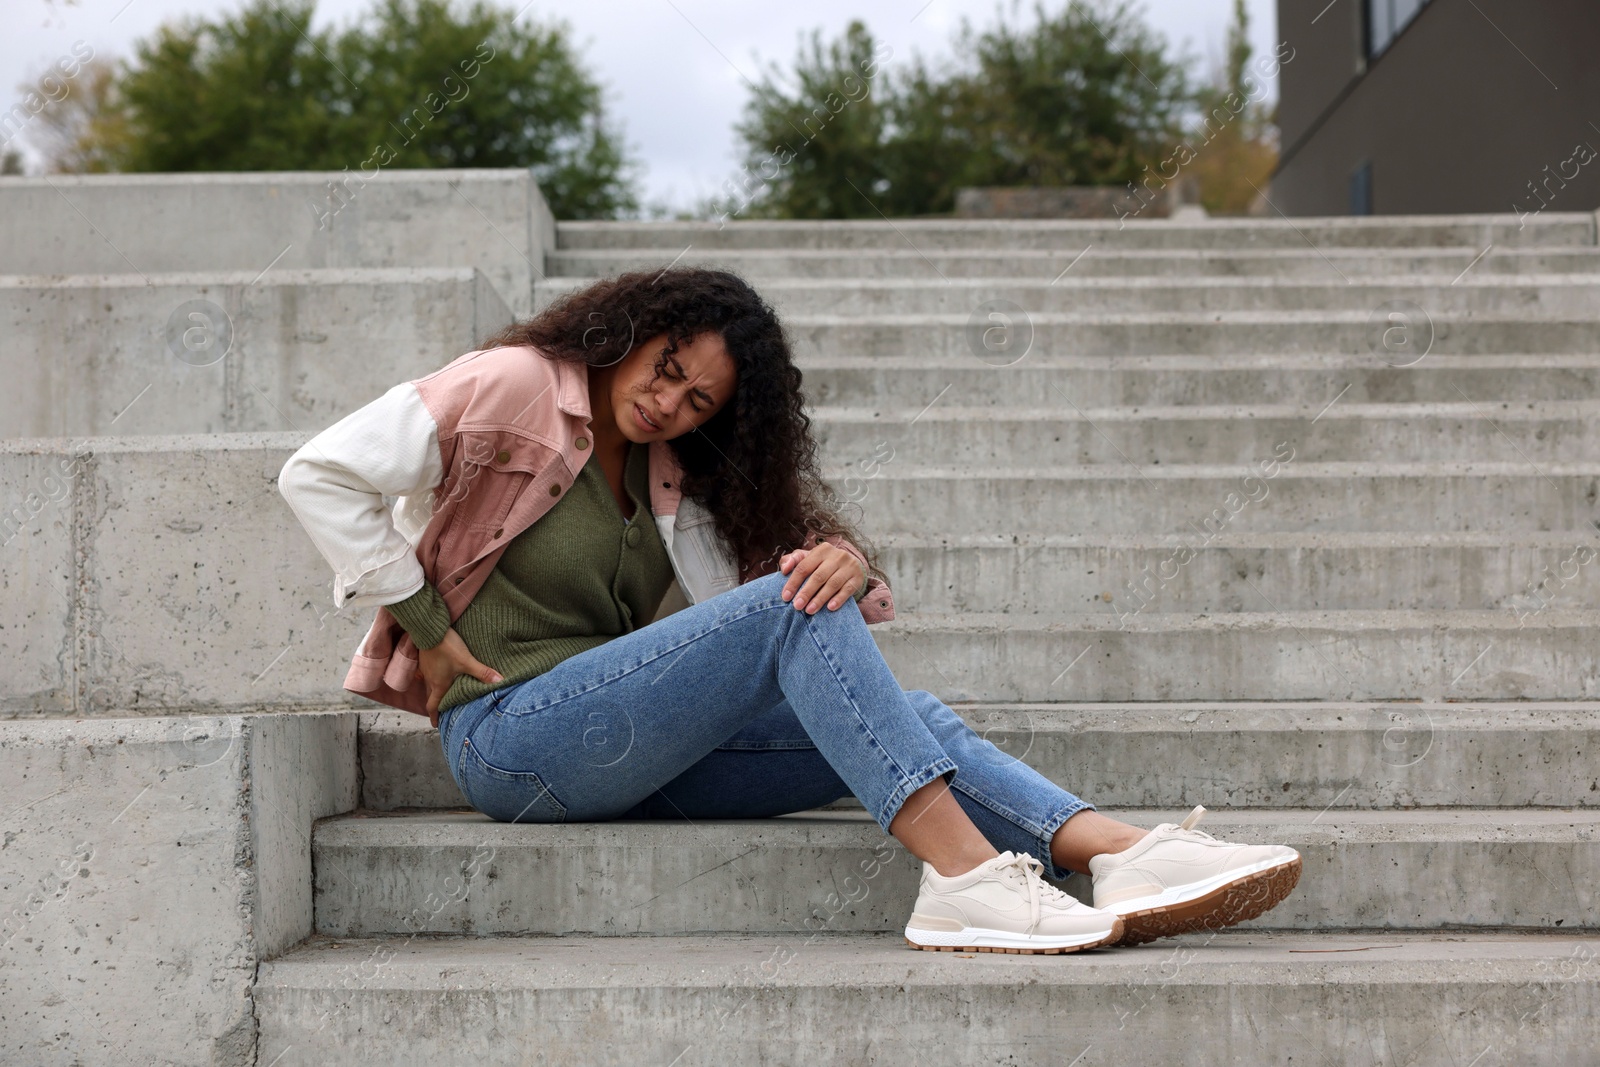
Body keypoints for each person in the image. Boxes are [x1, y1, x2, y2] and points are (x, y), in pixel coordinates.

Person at [279, 267, 1301, 954]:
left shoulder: (674, 474)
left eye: (698, 402)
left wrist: (846, 560)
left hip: (632, 751)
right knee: (792, 608)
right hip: (513, 737)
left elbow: (791, 606)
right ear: (631, 331)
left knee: (914, 712)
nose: (668, 402)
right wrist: (424, 622)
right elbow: (317, 472)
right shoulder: (511, 386)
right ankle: (964, 877)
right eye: (665, 368)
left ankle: (1117, 853)